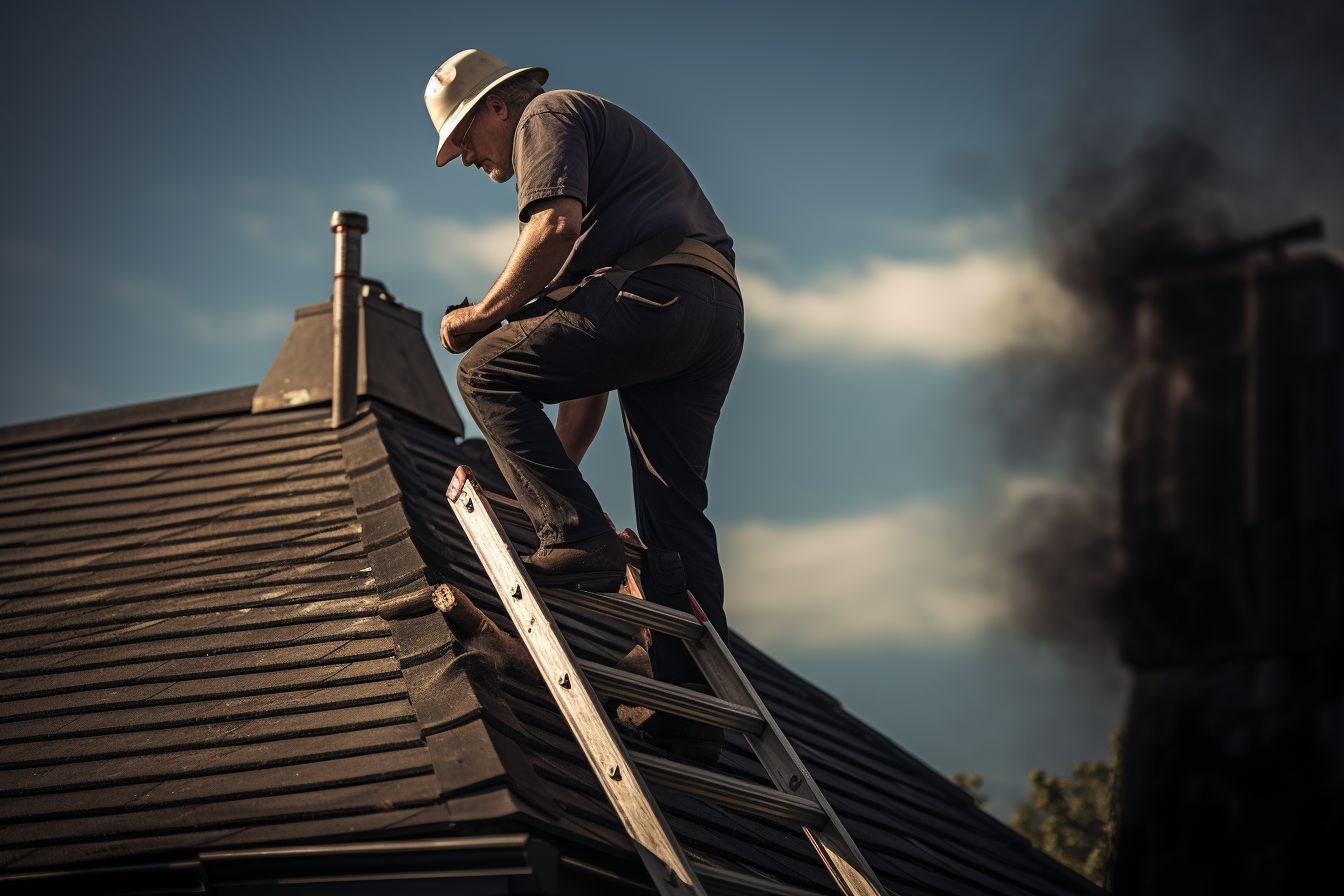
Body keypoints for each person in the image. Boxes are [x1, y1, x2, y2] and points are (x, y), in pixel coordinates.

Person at [424, 50, 742, 742]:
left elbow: (552, 227)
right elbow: (587, 370)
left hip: (658, 292)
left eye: (463, 140)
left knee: (481, 371)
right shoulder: (610, 204)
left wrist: (478, 318)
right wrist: (545, 481)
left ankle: (574, 536)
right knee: (674, 516)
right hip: (707, 309)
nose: (468, 160)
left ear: (497, 107)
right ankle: (692, 717)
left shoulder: (547, 113)